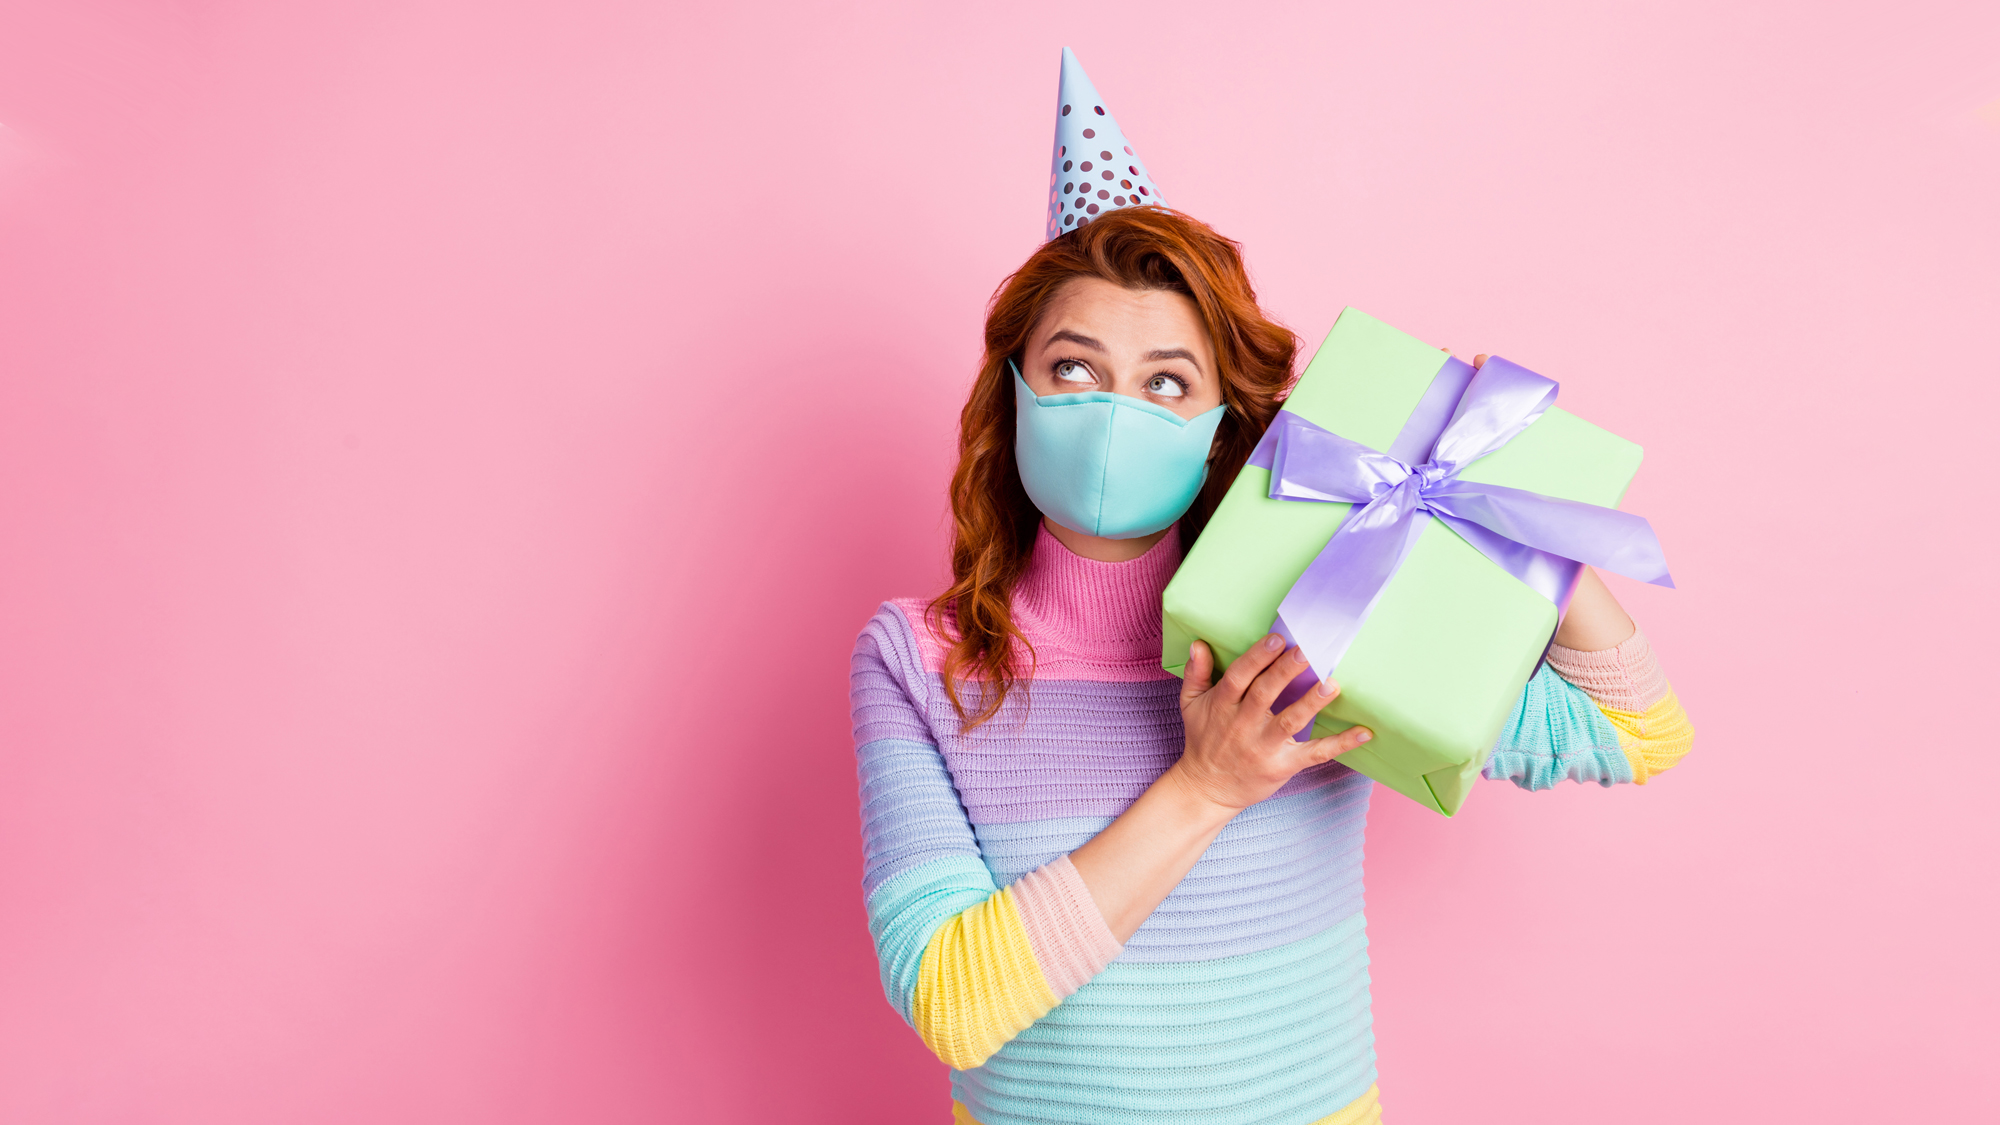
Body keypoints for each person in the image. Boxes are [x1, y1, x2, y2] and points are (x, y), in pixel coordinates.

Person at [849, 52, 1694, 1125]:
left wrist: (1502, 503)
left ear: (1213, 436)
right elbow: (950, 1003)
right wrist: (1205, 786)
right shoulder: (916, 657)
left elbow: (1637, 733)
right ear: (1012, 394)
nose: (1115, 410)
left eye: (1166, 381)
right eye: (1071, 368)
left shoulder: (1317, 612)